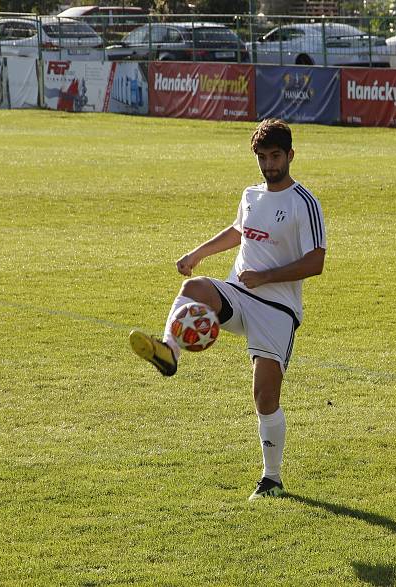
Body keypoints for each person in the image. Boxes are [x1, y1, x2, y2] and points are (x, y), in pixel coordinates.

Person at [129, 119, 326, 498]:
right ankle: (170, 351)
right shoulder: (251, 194)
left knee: (265, 398)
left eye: (275, 156)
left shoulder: (305, 203)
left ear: (290, 156)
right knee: (193, 288)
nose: (269, 165)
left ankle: (272, 479)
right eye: (262, 158)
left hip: (277, 310)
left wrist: (266, 276)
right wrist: (198, 253)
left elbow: (315, 262)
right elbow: (239, 230)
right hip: (238, 294)